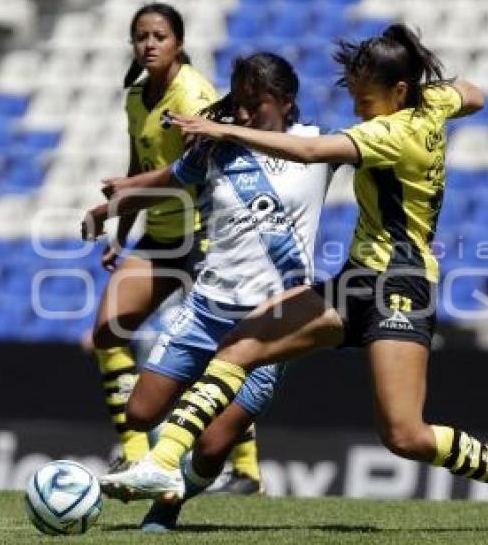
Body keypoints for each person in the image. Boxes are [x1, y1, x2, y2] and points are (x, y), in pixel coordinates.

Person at [104, 24, 488, 532]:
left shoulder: (393, 133)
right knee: (241, 345)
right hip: (355, 279)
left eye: (366, 98)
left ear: (398, 92)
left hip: (399, 287)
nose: (359, 107)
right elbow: (474, 93)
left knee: (404, 435)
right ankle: (161, 463)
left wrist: (227, 129)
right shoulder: (429, 106)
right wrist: (440, 95)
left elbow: (312, 153)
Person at [84, 52, 337, 532]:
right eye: (237, 104)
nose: (241, 115)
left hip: (271, 324)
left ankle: (167, 502)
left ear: (286, 102)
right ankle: (162, 462)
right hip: (205, 310)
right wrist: (115, 204)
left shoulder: (319, 147)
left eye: (254, 105)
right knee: (140, 413)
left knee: (213, 446)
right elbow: (168, 181)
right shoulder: (216, 150)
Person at [90, 2, 263, 491]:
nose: (149, 44)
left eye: (159, 36)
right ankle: (132, 453)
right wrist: (121, 231)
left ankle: (246, 469)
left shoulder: (194, 95)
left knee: (223, 351)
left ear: (178, 43)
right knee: (108, 331)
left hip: (206, 234)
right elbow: (135, 162)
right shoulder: (137, 96)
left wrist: (126, 194)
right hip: (161, 235)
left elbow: (197, 172)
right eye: (141, 36)